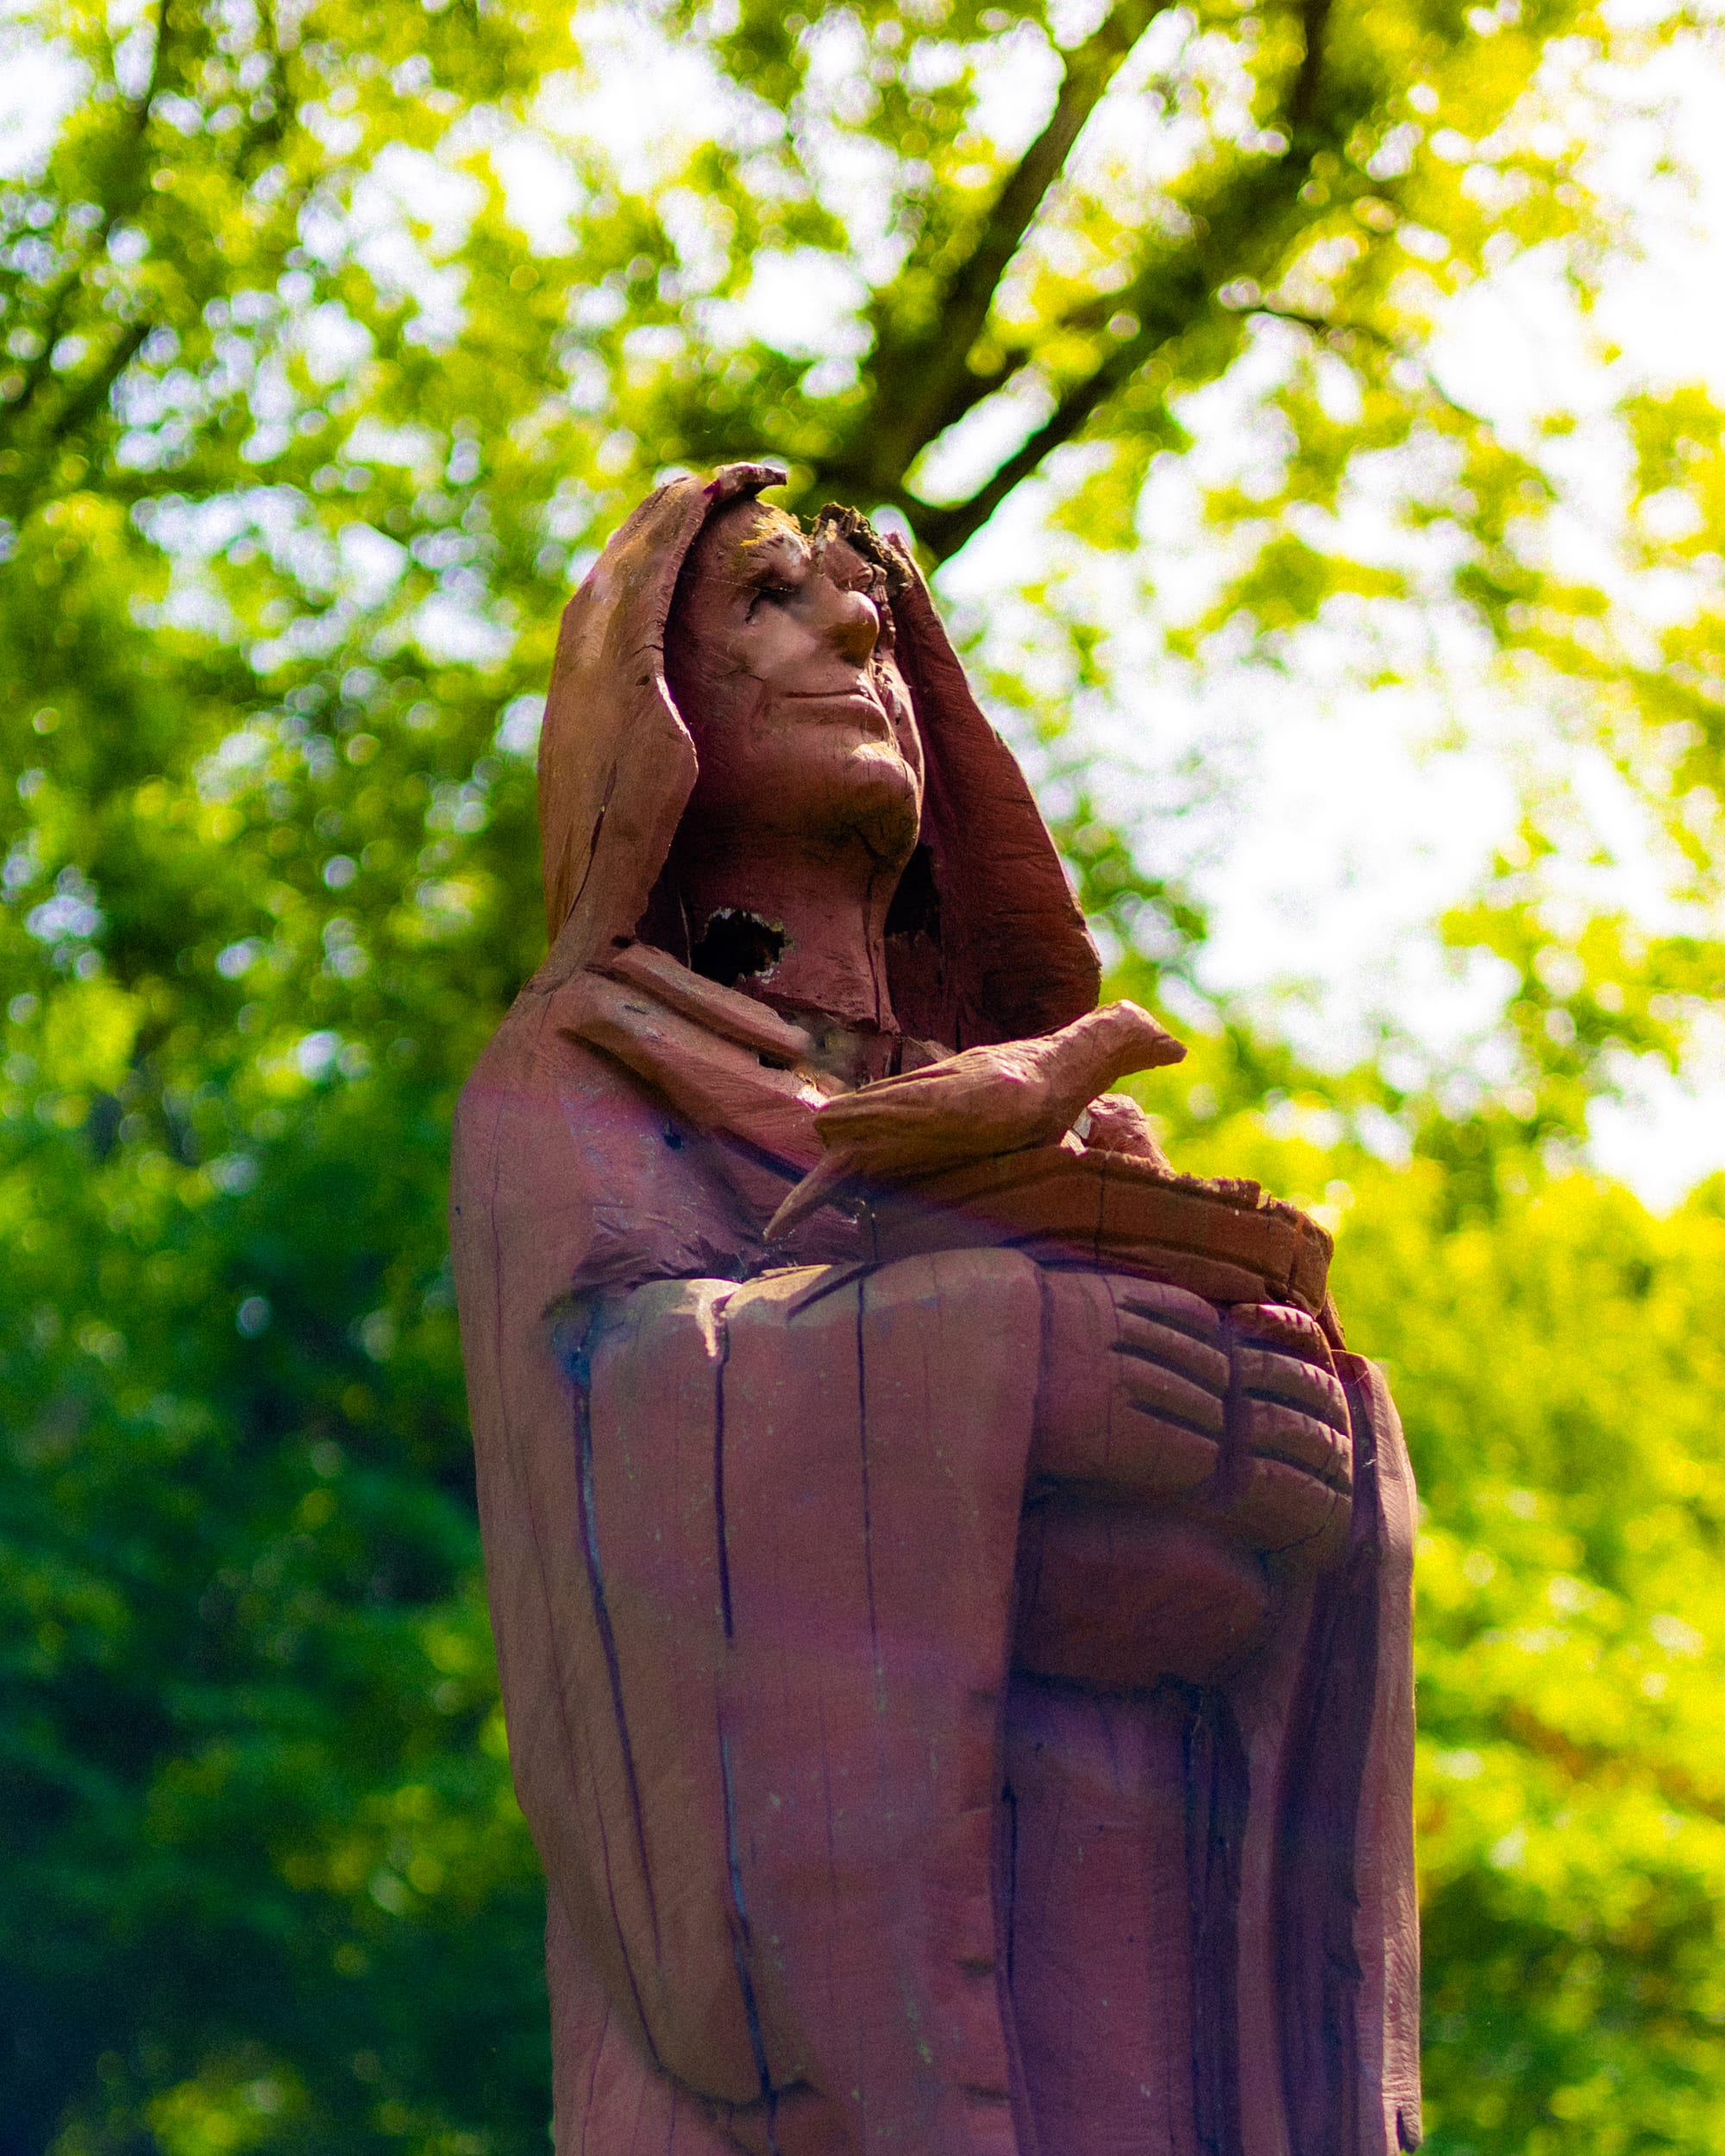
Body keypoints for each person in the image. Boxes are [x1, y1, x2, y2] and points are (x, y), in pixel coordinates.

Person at [451, 462, 1421, 2156]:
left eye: (881, 616)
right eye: (767, 595)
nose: (851, 625)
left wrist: (1312, 1442)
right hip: (840, 2048)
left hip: (1132, 1943)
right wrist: (1007, 1355)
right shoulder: (581, 1069)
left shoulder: (1081, 1132)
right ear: (650, 706)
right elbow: (604, 1433)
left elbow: (1210, 1512)